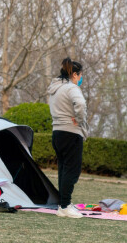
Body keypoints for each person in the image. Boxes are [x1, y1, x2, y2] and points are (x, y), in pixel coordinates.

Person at [47, 57, 88, 219]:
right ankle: (65, 206)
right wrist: (79, 119)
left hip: (57, 132)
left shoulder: (55, 88)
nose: (81, 78)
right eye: (81, 75)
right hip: (71, 133)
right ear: (75, 75)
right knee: (72, 170)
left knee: (63, 170)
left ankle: (63, 204)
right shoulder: (71, 88)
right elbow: (81, 104)